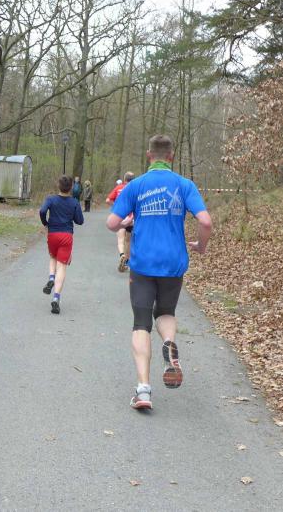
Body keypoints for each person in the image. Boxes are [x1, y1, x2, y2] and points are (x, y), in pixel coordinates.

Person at [106, 135, 212, 411]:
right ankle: (169, 343)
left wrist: (127, 221)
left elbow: (111, 223)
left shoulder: (135, 186)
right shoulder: (184, 185)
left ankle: (143, 391)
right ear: (172, 156)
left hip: (143, 264)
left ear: (149, 155)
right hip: (173, 263)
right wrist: (201, 246)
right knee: (165, 312)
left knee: (141, 323)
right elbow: (205, 221)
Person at [40, 175, 84, 314]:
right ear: (71, 187)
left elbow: (42, 211)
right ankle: (56, 298)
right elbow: (80, 221)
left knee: (53, 257)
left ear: (58, 186)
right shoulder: (74, 202)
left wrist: (45, 223)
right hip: (66, 236)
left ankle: (51, 278)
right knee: (62, 266)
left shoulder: (50, 199)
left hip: (53, 234)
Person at [106, 171, 135, 272]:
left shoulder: (119, 188)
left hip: (120, 216)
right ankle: (127, 261)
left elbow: (108, 200)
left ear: (124, 179)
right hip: (131, 218)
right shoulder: (135, 188)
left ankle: (122, 255)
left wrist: (116, 206)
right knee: (128, 240)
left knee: (120, 239)